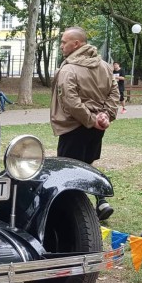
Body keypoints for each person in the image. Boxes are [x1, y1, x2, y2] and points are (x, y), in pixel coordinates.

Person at [50, 26, 119, 221]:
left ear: (76, 44)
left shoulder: (69, 69)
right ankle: (101, 200)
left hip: (73, 126)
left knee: (69, 169)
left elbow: (70, 102)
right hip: (97, 128)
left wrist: (90, 120)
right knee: (87, 164)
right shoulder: (105, 66)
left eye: (64, 42)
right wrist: (105, 115)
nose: (61, 46)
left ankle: (72, 212)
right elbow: (114, 93)